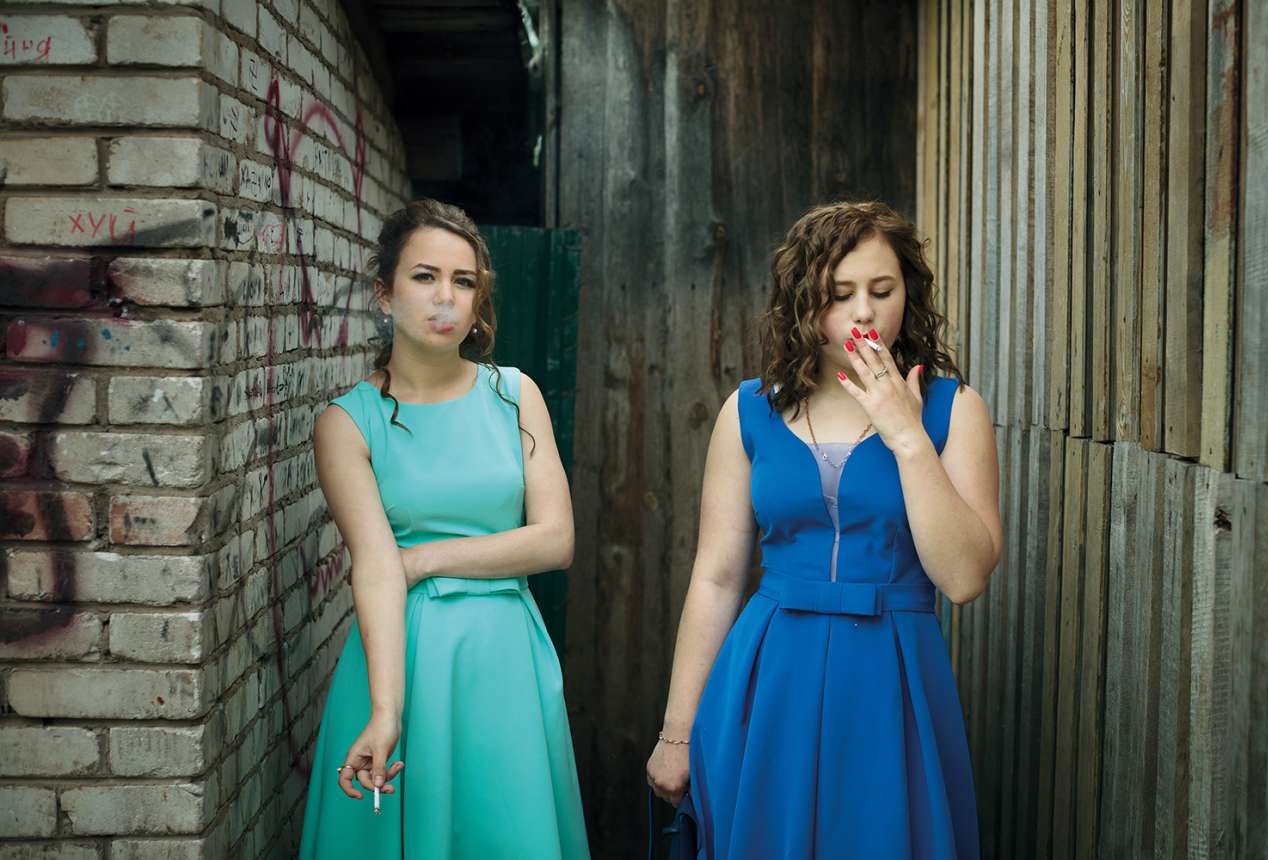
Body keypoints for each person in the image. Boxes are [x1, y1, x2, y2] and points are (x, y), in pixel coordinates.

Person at [646, 201, 1000, 858]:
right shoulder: (748, 411)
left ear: (908, 294)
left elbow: (964, 578)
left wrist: (907, 437)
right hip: (768, 677)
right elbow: (717, 577)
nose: (864, 312)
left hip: (892, 676)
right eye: (840, 294)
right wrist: (676, 731)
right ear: (804, 301)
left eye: (882, 290)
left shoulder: (955, 410)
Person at [299, 199, 591, 859]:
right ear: (385, 293)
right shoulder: (346, 423)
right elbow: (376, 567)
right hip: (401, 656)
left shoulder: (515, 394)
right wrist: (385, 709)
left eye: (463, 281)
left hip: (505, 658)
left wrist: (423, 559)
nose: (446, 298)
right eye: (425, 277)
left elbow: (555, 540)